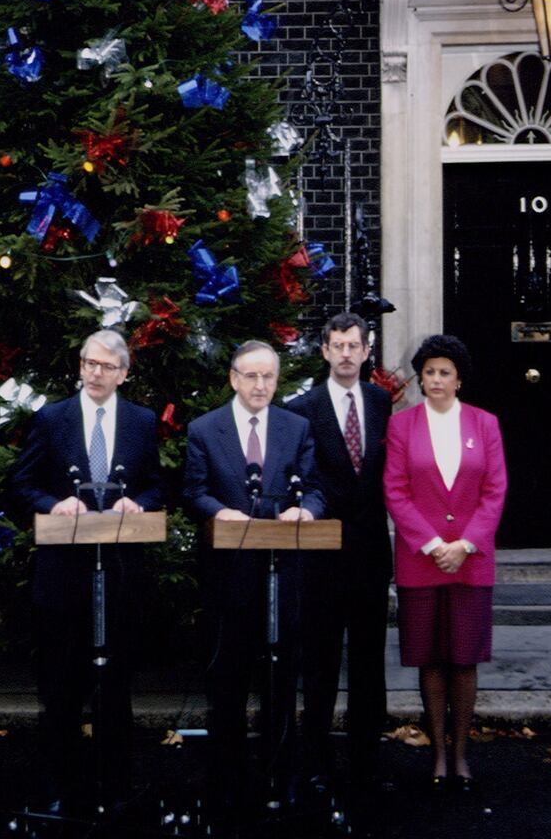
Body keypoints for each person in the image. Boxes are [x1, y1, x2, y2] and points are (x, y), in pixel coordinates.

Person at [11, 329, 163, 814]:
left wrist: (140, 502)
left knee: (116, 685)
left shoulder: (141, 421)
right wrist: (55, 503)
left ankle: (115, 787)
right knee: (61, 686)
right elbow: (22, 482)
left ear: (124, 373)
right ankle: (59, 785)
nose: (95, 373)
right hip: (64, 574)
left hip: (119, 573)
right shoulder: (52, 419)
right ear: (79, 366)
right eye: (88, 363)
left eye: (106, 366)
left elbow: (160, 484)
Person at [183, 340, 325, 823]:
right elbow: (194, 491)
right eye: (251, 376)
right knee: (228, 682)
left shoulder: (297, 427)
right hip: (229, 579)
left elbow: (316, 487)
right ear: (233, 378)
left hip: (282, 574)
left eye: (269, 377)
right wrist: (218, 511)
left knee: (281, 680)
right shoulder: (205, 429)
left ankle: (281, 777)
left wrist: (305, 509)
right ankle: (225, 783)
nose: (261, 385)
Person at [383, 334, 507, 791]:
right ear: (421, 378)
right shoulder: (402, 426)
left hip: (470, 562)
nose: (436, 380)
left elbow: (495, 490)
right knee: (429, 659)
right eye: (429, 372)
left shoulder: (485, 423)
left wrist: (466, 544)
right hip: (421, 560)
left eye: (445, 373)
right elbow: (395, 490)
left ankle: (460, 755)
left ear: (459, 379)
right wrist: (434, 543)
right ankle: (436, 753)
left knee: (464, 658)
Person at [286, 312, 393, 807]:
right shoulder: (303, 409)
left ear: (367, 351)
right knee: (321, 665)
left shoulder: (380, 401)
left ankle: (367, 766)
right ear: (325, 351)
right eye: (338, 345)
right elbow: (306, 477)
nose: (347, 353)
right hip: (323, 555)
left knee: (370, 666)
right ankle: (315, 766)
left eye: (355, 345)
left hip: (371, 553)